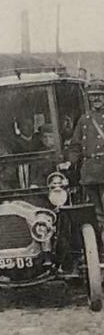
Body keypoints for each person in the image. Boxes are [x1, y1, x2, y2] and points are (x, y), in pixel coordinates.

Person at [70, 80, 104, 249]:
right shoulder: (85, 120)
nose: (96, 99)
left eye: (99, 95)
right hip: (90, 173)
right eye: (93, 96)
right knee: (96, 215)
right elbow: (76, 145)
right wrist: (69, 161)